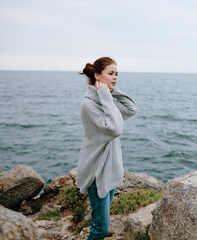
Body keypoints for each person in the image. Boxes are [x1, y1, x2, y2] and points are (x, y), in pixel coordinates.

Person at [77, 57, 138, 239]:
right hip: (97, 173)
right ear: (97, 75)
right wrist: (105, 95)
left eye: (117, 74)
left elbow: (132, 108)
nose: (115, 77)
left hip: (110, 169)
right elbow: (115, 129)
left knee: (101, 225)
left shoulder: (107, 100)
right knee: (100, 229)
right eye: (110, 74)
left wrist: (111, 90)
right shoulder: (88, 104)